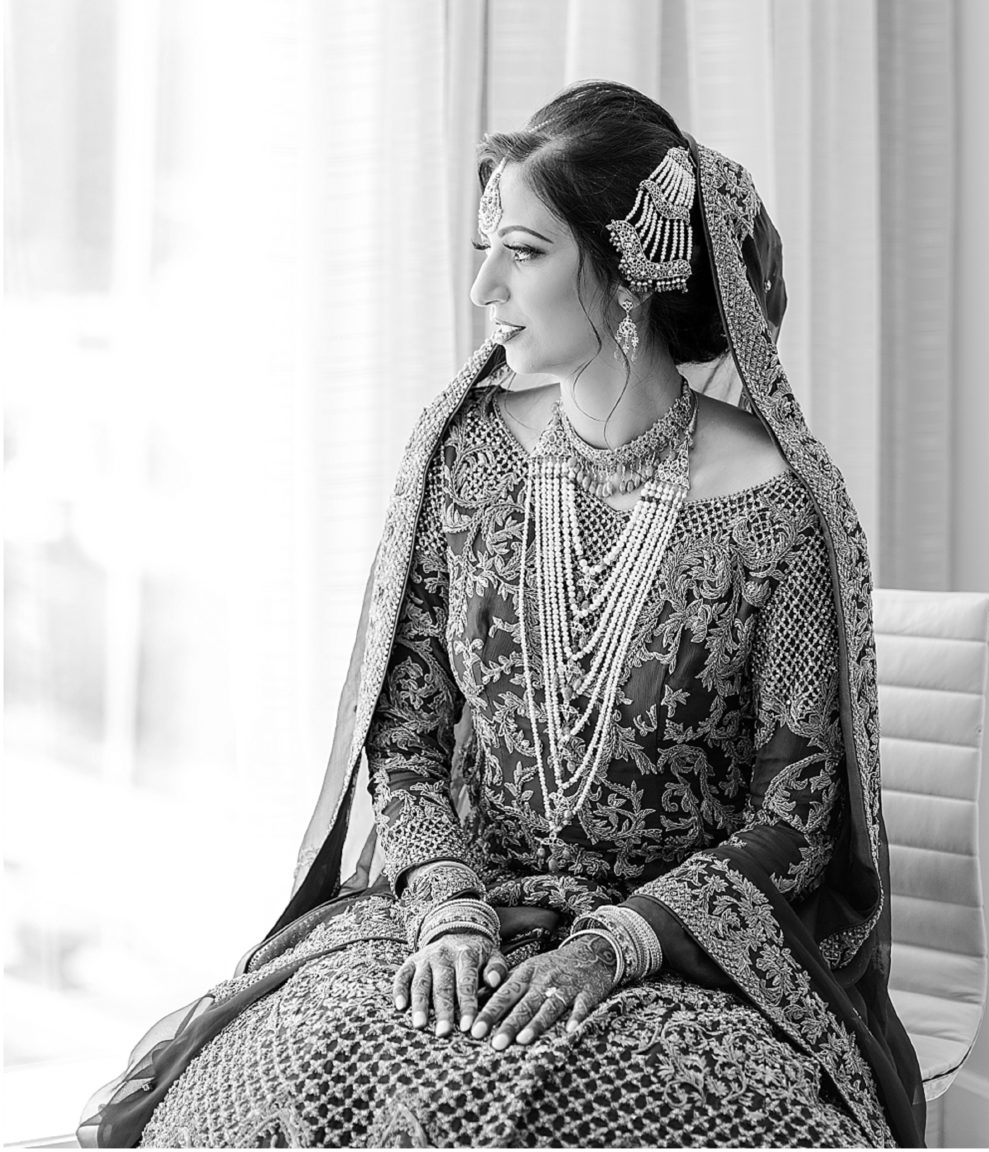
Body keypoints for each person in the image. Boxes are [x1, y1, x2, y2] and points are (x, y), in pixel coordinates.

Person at [79, 81, 926, 1148]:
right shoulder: (462, 456)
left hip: (683, 959)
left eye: (521, 252)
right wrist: (444, 908)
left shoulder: (778, 509)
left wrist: (614, 943)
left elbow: (794, 818)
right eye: (486, 249)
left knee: (631, 1115)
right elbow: (404, 740)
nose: (482, 284)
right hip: (460, 917)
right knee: (294, 1071)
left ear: (627, 272)